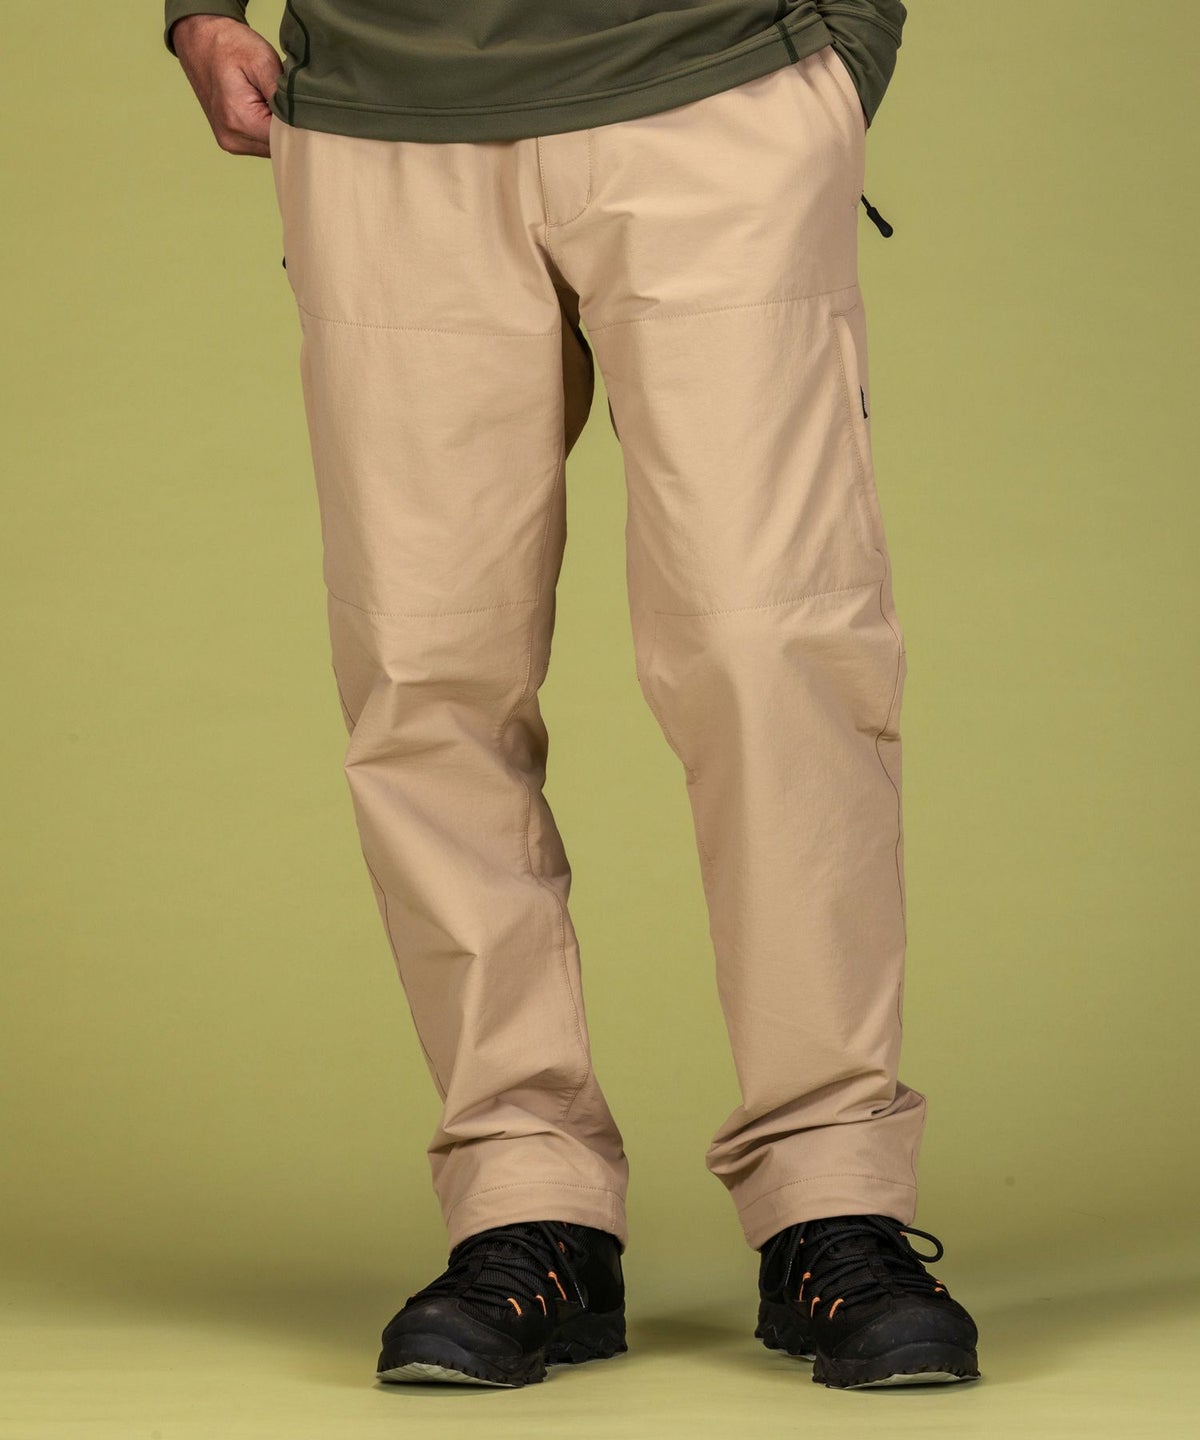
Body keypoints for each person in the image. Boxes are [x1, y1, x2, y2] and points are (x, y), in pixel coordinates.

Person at [164, 0, 981, 1392]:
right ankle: (524, 1201)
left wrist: (837, 59)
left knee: (769, 650)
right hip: (382, 121)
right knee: (427, 670)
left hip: (715, 84)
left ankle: (831, 1194)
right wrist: (197, 13)